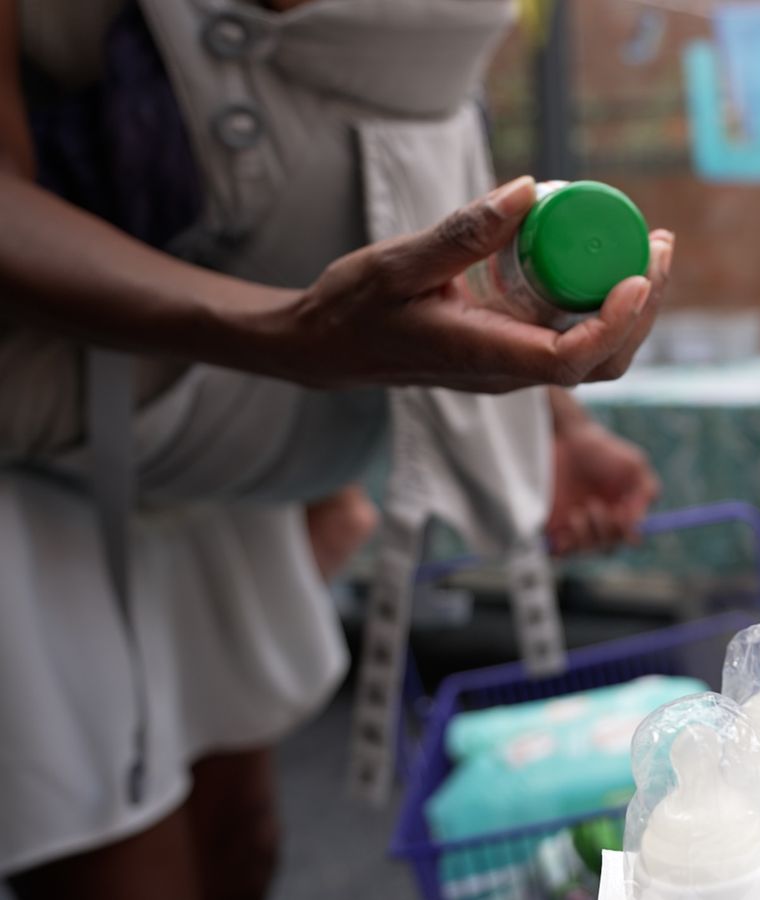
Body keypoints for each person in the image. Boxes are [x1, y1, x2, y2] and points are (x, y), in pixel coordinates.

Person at [0, 1, 668, 897]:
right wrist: (287, 330)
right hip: (69, 444)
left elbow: (424, 140)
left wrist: (554, 419)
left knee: (243, 838)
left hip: (235, 460)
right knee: (127, 856)